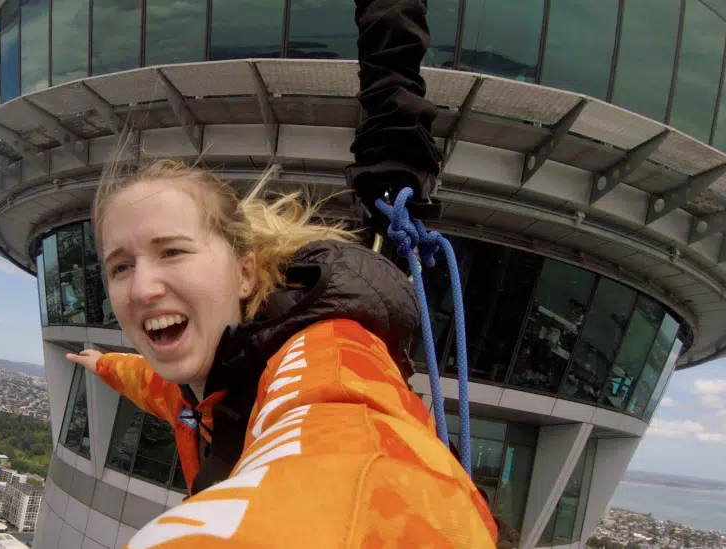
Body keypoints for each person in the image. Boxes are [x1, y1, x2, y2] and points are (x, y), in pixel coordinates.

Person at [66, 158, 497, 548]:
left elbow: (365, 468)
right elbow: (152, 384)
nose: (143, 289)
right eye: (121, 266)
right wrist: (101, 363)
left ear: (245, 274)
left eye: (172, 251)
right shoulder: (207, 379)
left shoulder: (328, 349)